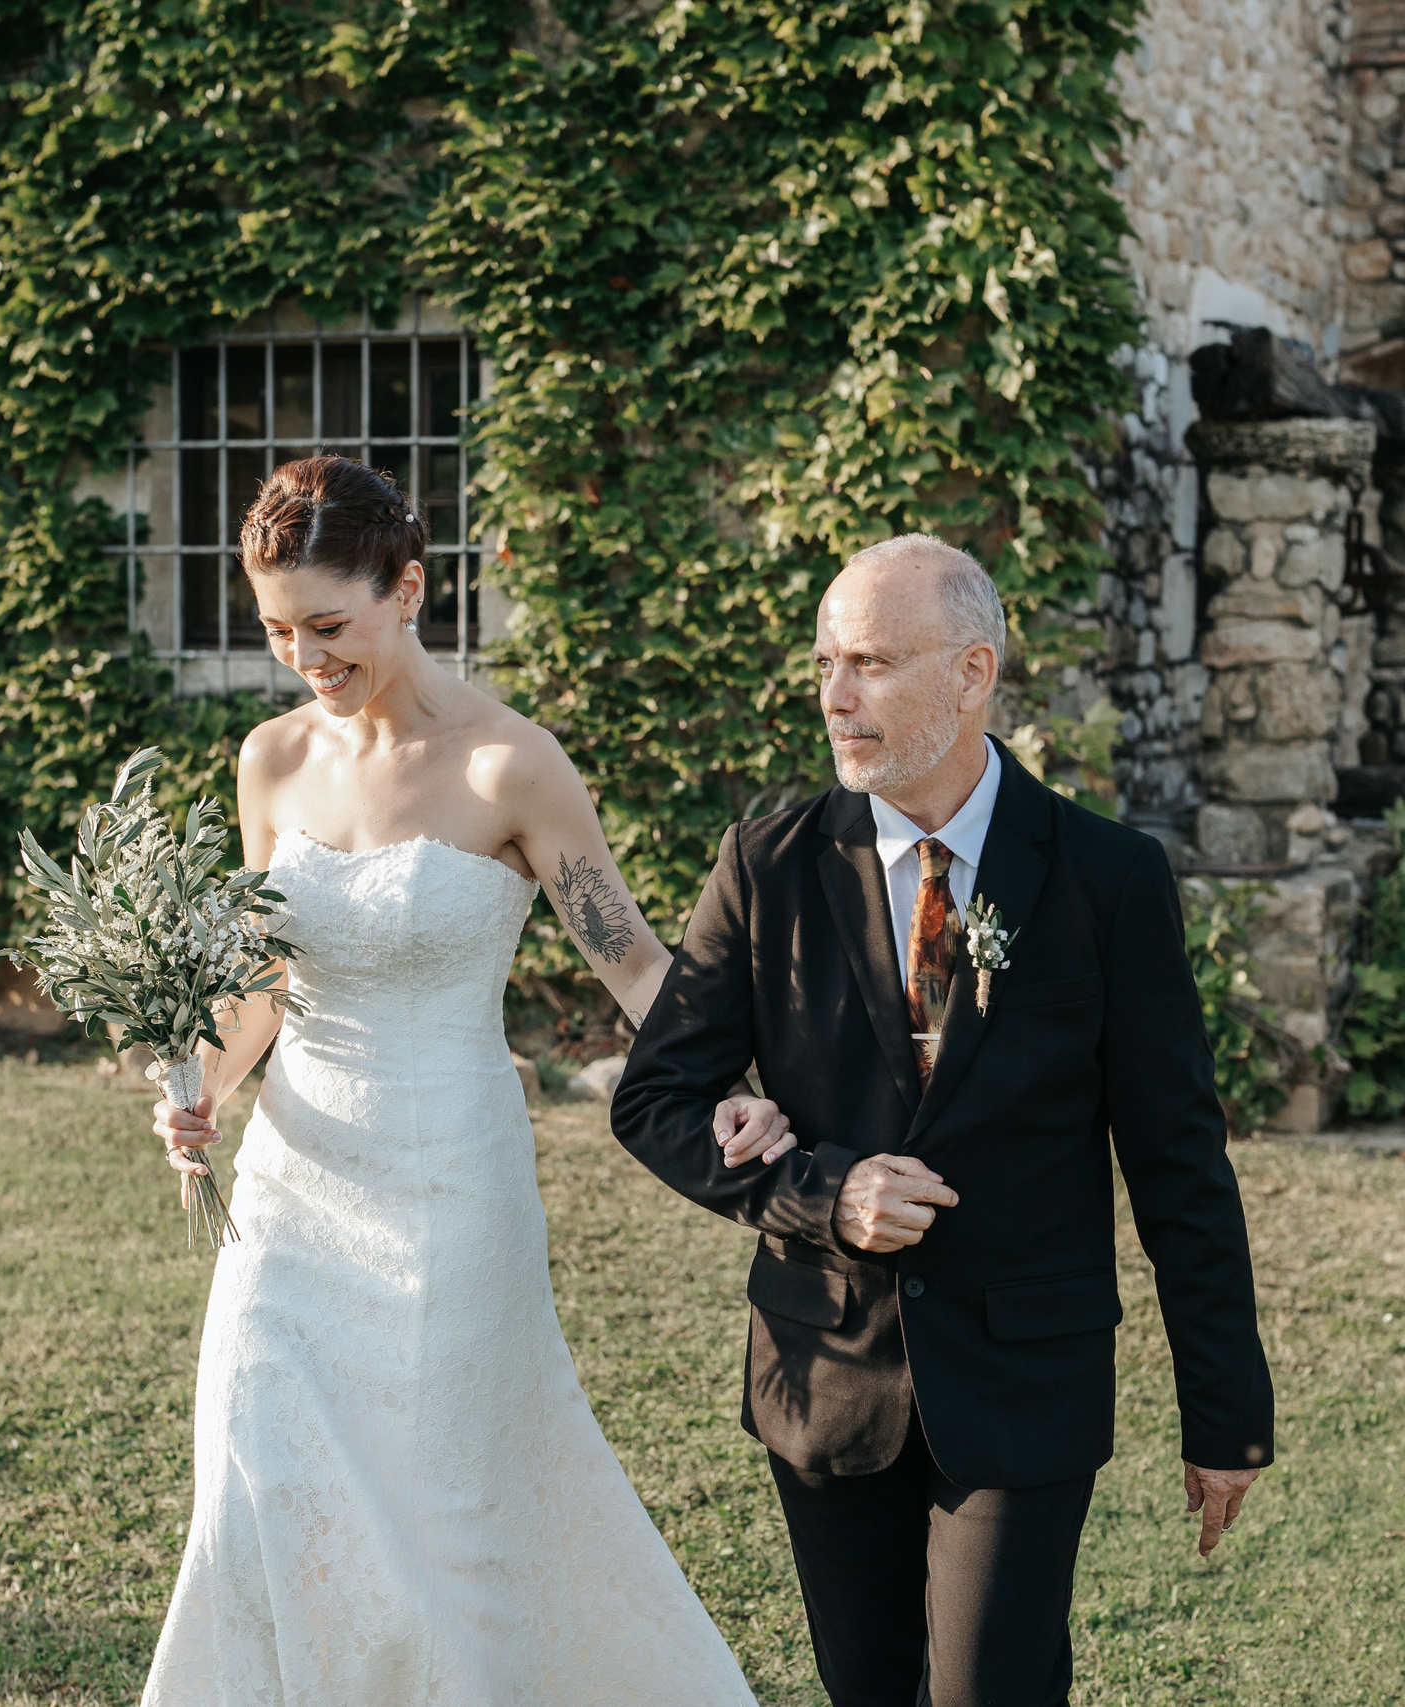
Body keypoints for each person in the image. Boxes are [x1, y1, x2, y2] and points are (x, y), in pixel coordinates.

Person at [140, 455, 790, 1705]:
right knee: (258, 1478)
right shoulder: (269, 761)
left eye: (329, 625)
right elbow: (269, 978)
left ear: (411, 589)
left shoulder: (510, 766)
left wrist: (737, 1084)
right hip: (290, 1193)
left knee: (439, 1523)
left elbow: (632, 962)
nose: (305, 658)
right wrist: (202, 1084)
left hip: (448, 1195)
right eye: (277, 631)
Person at [612, 534, 1278, 1707]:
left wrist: (1223, 1413)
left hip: (1026, 1374)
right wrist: (823, 1194)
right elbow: (656, 1097)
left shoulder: (1106, 875)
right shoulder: (765, 868)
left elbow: (1178, 1159)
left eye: (868, 661)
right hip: (825, 1374)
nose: (833, 695)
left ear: (972, 673)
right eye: (825, 661)